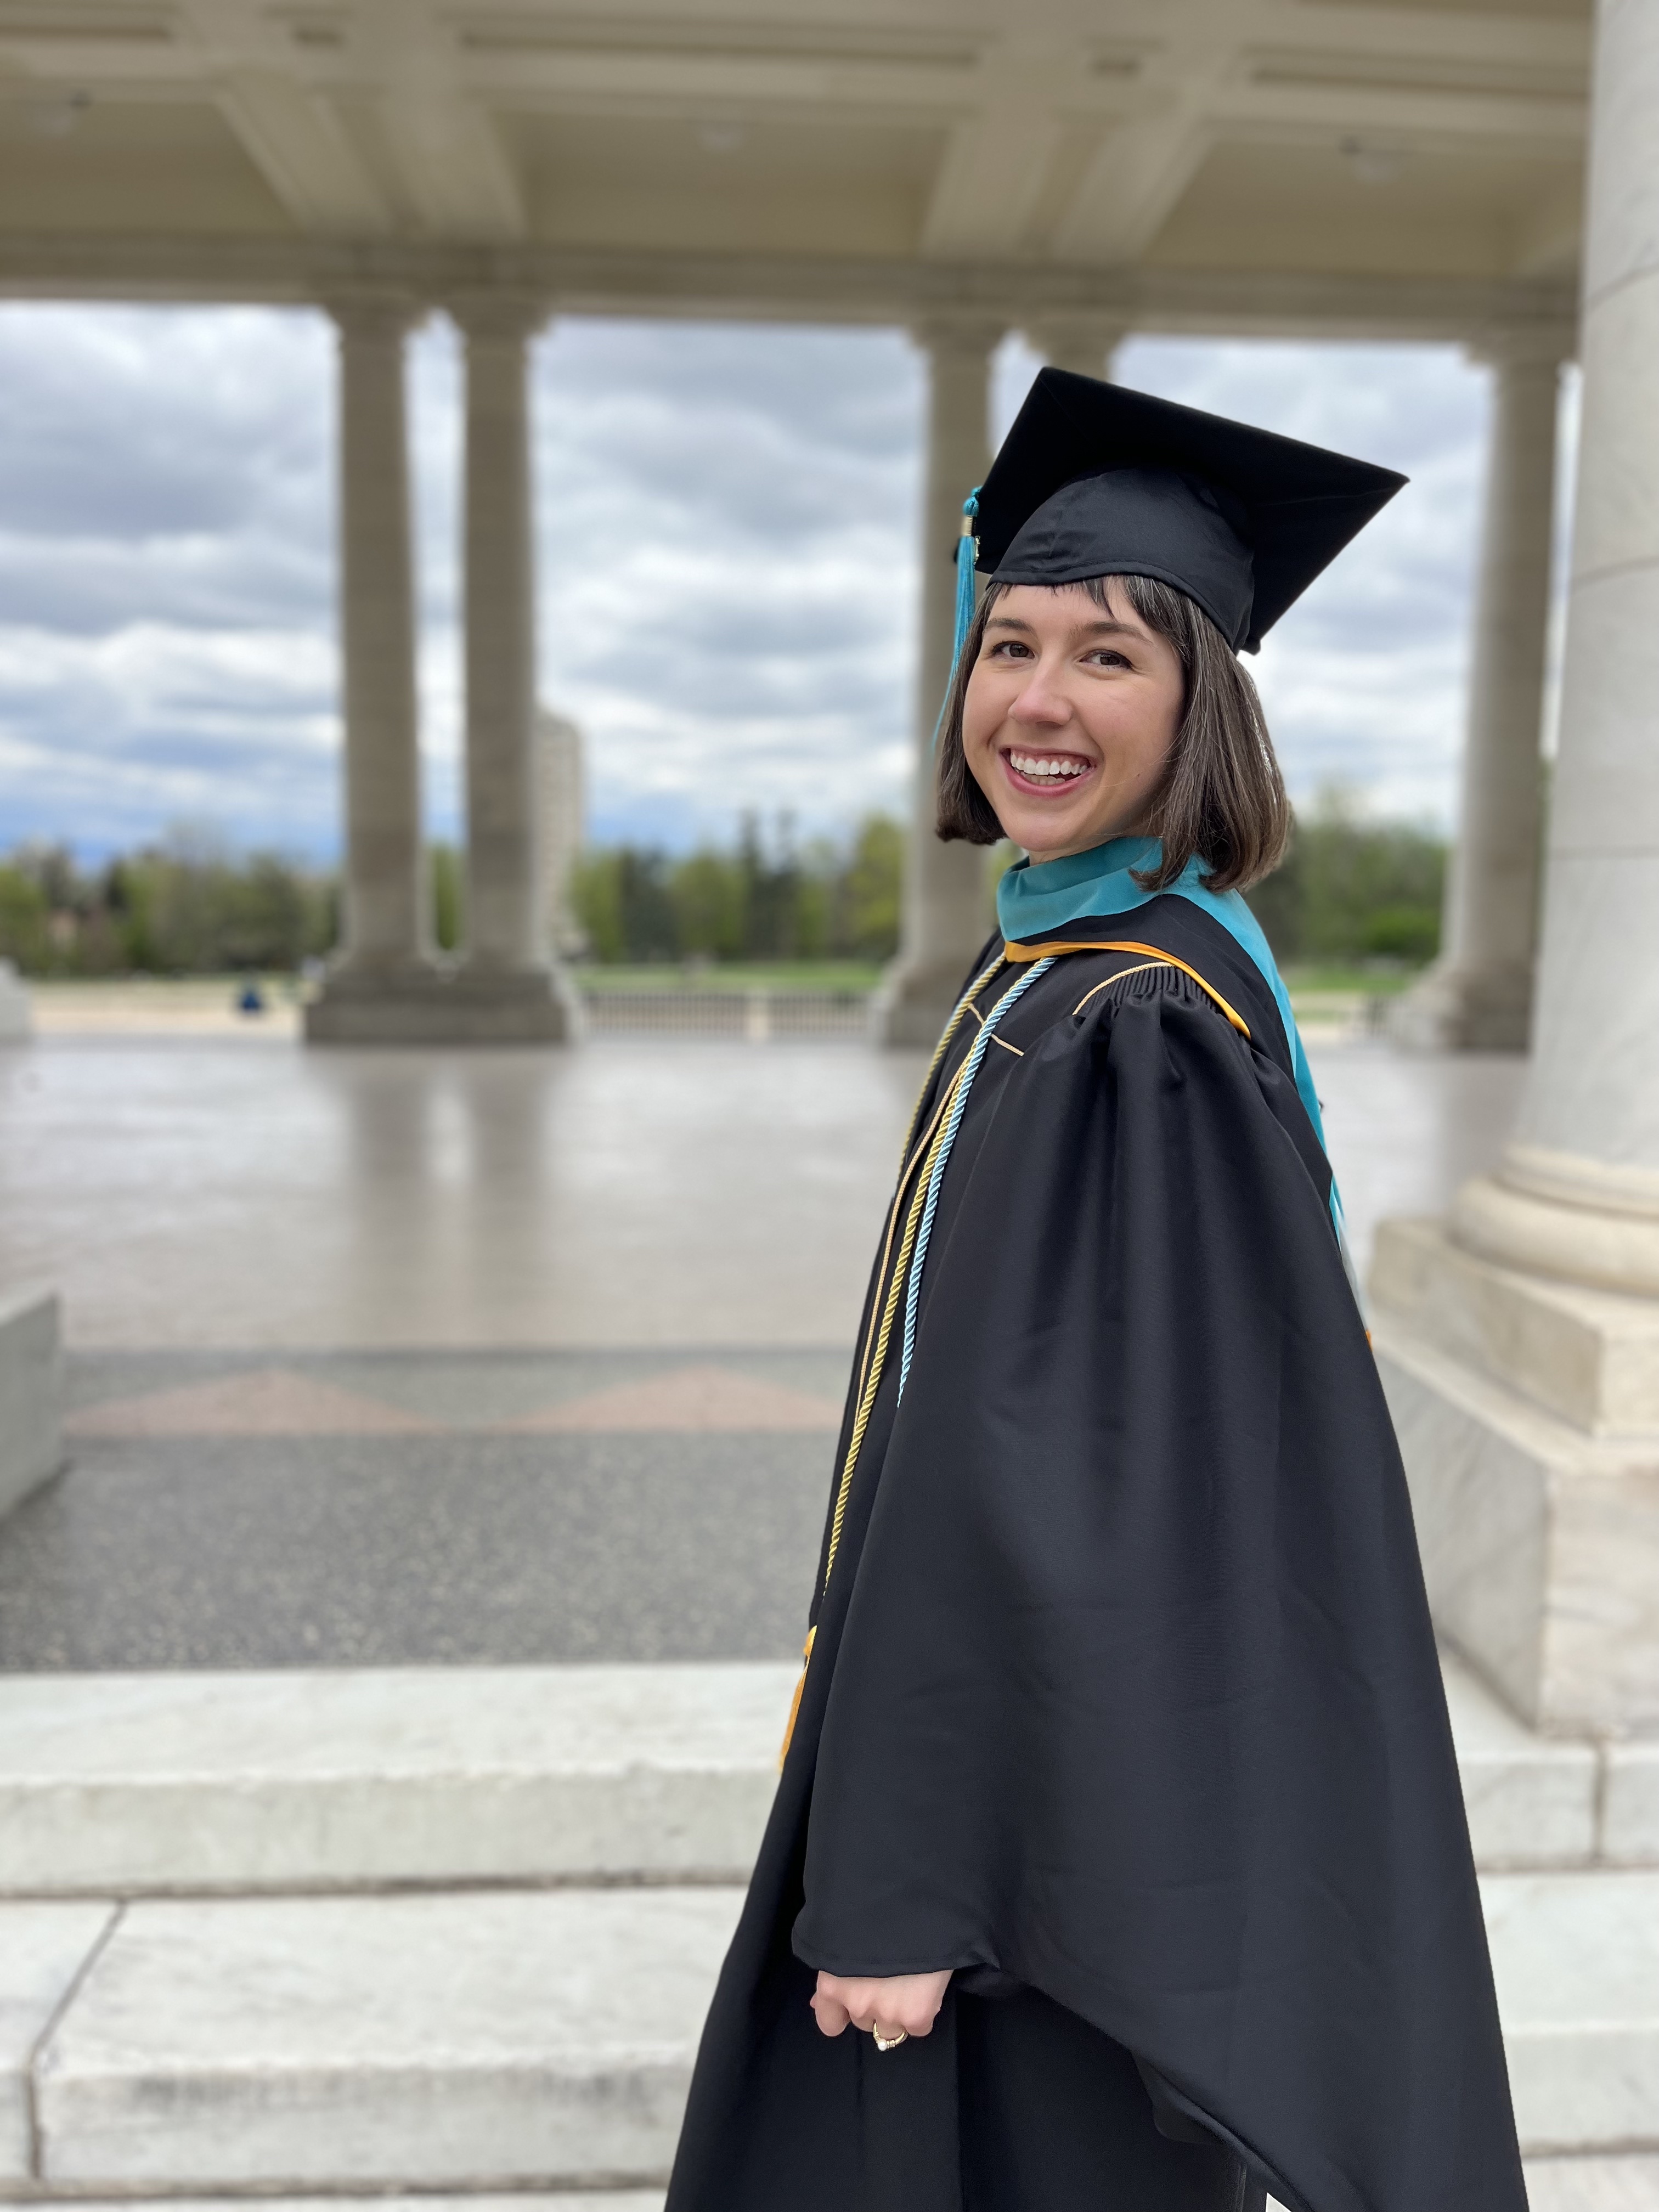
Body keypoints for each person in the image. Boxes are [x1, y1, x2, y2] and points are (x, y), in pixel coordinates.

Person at [664, 370, 1527, 2212]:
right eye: (1008, 643)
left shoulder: (1134, 1023)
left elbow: (1055, 1513)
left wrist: (900, 1881)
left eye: (1110, 658)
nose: (1035, 703)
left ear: (1203, 706)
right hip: (1018, 1844)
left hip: (1024, 1898)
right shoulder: (1069, 975)